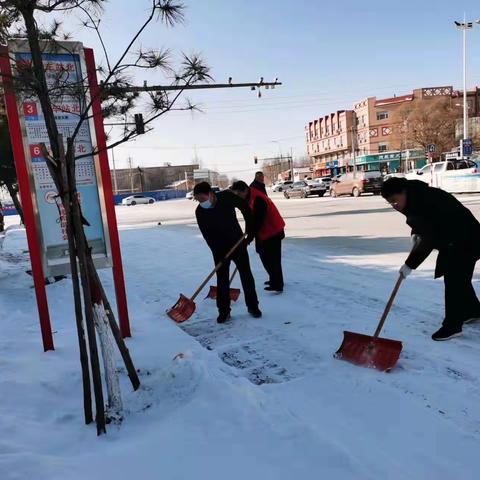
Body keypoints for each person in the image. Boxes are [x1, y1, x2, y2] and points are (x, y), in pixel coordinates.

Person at [381, 177, 480, 341]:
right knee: (459, 277)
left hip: (466, 240)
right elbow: (420, 223)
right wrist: (415, 233)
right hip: (455, 240)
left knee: (454, 279)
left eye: (395, 200)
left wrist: (409, 265)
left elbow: (429, 238)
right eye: (390, 203)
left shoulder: (424, 200)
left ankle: (452, 326)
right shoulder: (416, 197)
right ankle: (473, 310)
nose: (394, 205)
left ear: (404, 192)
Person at [193, 182, 262, 323]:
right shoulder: (200, 212)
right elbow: (207, 236)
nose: (201, 202)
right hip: (218, 248)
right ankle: (224, 311)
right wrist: (219, 254)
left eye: (203, 198)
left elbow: (245, 208)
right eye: (198, 200)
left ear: (211, 194)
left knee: (246, 274)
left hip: (237, 242)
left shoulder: (227, 197)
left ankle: (253, 306)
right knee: (222, 279)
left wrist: (250, 231)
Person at [231, 180, 285, 293]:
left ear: (245, 190)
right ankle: (273, 279)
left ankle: (277, 284)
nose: (238, 197)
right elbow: (250, 219)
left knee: (273, 259)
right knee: (263, 255)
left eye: (239, 194)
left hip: (273, 230)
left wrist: (249, 238)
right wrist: (247, 234)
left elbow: (258, 222)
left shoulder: (258, 199)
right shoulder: (247, 197)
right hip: (264, 232)